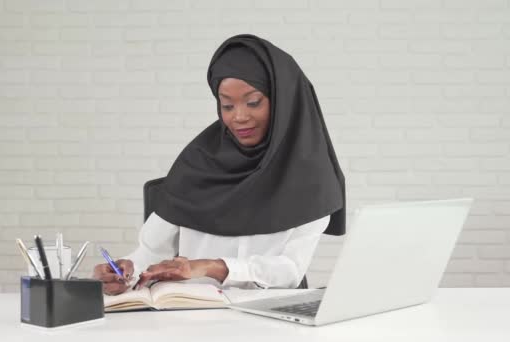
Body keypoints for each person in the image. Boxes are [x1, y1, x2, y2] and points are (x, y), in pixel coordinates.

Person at [93, 34, 346, 295]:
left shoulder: (311, 177)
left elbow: (290, 271)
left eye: (253, 102)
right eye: (226, 105)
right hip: (191, 317)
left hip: (269, 322)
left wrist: (213, 267)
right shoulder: (197, 163)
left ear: (283, 102)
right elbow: (149, 253)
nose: (239, 117)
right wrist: (124, 271)